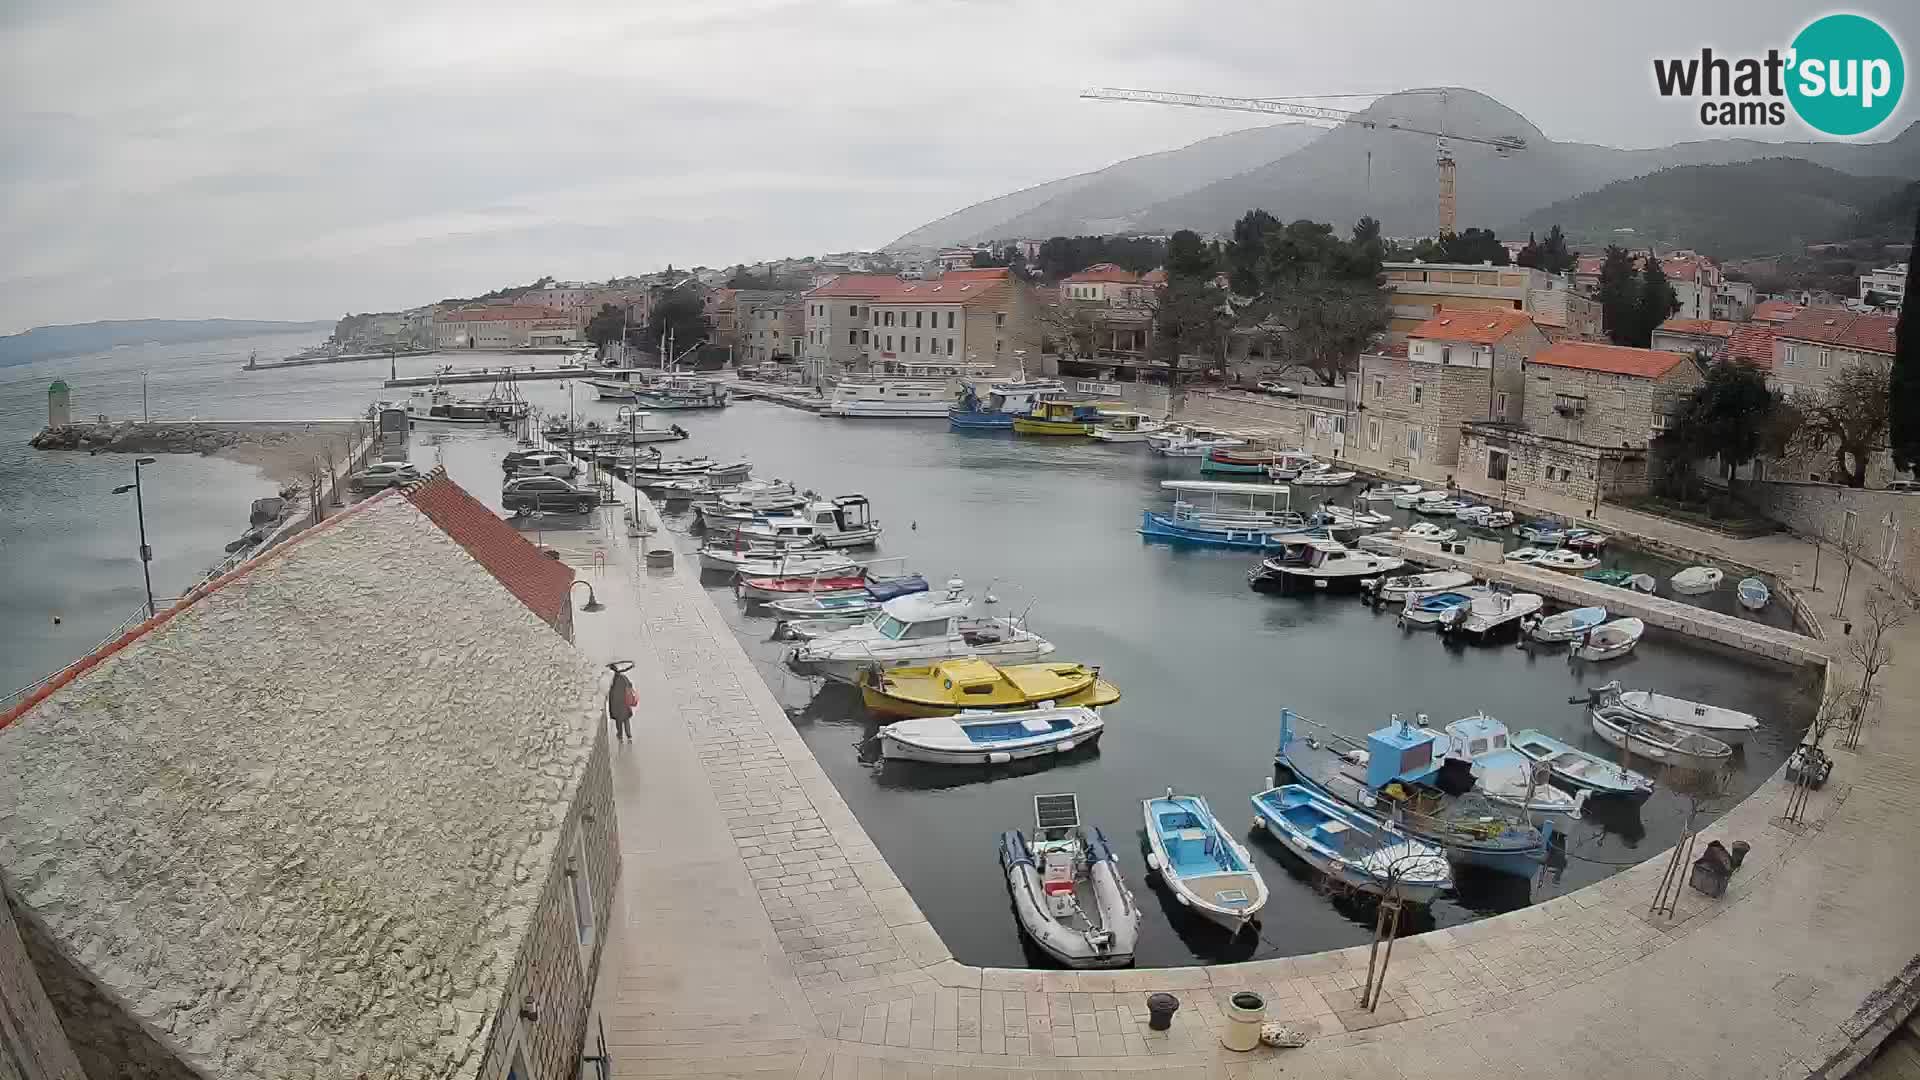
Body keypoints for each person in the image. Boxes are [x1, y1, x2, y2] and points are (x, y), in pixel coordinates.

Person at [607, 661, 635, 741]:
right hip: (624, 703)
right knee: (626, 720)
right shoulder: (623, 678)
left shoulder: (611, 681)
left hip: (616, 705)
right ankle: (629, 735)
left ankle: (620, 736)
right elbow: (630, 685)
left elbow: (608, 692)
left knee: (618, 721)